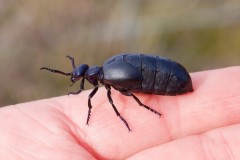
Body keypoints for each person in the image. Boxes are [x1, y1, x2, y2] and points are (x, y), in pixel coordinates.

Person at [0, 67, 240, 160]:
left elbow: (117, 95)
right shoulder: (105, 72)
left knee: (115, 97)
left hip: (171, 80)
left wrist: (129, 114)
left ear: (87, 75)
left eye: (77, 76)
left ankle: (142, 109)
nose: (76, 80)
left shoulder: (107, 76)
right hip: (161, 76)